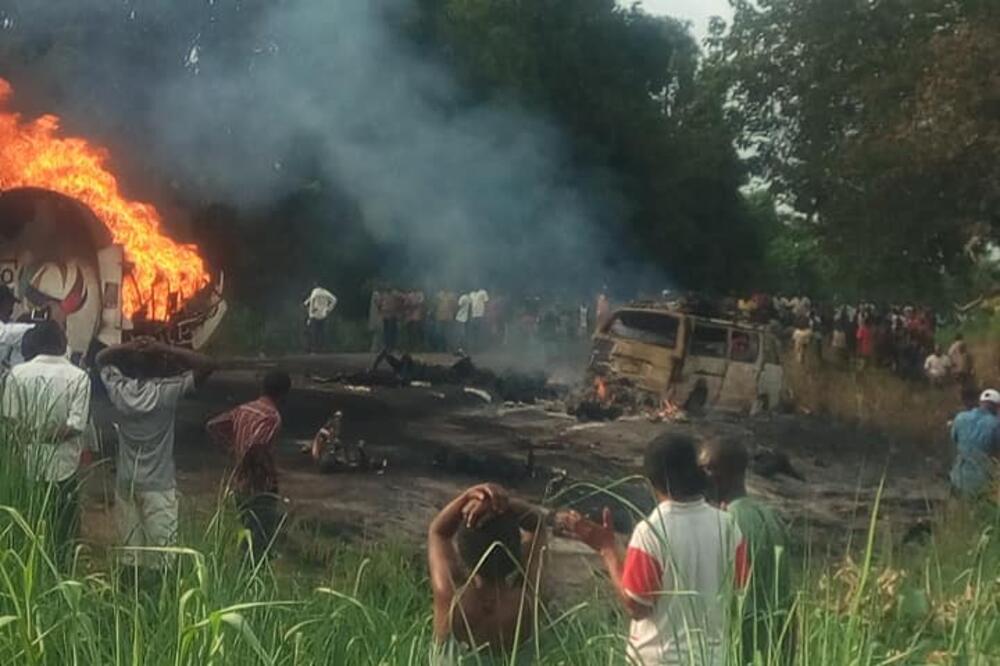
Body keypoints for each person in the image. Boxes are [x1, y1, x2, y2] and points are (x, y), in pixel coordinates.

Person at [558, 433, 747, 666]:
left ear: (651, 481)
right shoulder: (729, 526)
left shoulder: (650, 531)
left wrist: (608, 549)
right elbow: (740, 591)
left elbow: (636, 606)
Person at [96, 339, 216, 572]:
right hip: (158, 486)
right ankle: (160, 602)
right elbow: (208, 365)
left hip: (126, 483)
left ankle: (128, 600)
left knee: (130, 555)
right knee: (163, 556)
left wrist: (128, 346)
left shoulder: (118, 389)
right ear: (160, 366)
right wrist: (166, 348)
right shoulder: (167, 391)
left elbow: (100, 358)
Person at [1, 321, 90, 562]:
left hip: (29, 466)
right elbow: (75, 426)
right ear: (62, 344)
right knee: (64, 530)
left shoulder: (16, 375)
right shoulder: (79, 377)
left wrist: (32, 438)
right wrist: (47, 435)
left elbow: (11, 421)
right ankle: (62, 573)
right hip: (64, 468)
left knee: (30, 527)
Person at [700, 438, 794, 666]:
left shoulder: (726, 522)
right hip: (777, 646)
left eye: (703, 468)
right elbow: (789, 595)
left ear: (716, 472)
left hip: (742, 649)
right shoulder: (771, 517)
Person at [428, 483, 545, 662]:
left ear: (464, 553)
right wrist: (504, 505)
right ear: (515, 552)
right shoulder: (528, 602)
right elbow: (537, 526)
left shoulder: (451, 599)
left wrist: (469, 496)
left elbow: (438, 532)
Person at [207, 370, 291, 560]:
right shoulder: (272, 417)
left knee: (246, 527)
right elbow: (257, 445)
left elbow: (213, 425)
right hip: (260, 484)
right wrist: (266, 468)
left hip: (239, 481)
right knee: (260, 535)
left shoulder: (245, 409)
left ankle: (243, 572)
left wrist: (231, 448)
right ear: (284, 394)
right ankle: (253, 576)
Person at [949, 388, 1000, 500]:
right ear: (997, 407)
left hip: (958, 479)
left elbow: (954, 440)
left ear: (980, 403)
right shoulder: (996, 424)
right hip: (983, 484)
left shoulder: (960, 417)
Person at [303, 282, 337, 353]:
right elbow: (334, 299)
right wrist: (328, 309)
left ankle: (314, 349)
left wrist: (310, 315)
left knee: (314, 333)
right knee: (321, 333)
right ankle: (321, 349)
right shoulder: (325, 293)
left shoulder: (315, 292)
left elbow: (311, 302)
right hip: (323, 314)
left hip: (315, 314)